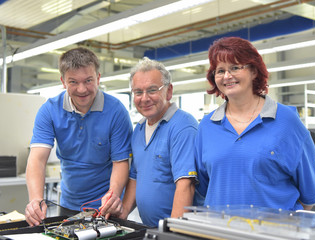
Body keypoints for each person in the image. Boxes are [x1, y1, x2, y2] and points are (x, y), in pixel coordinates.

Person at [195, 37, 315, 211]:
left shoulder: (287, 121)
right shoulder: (207, 126)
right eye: (220, 71)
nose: (227, 76)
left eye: (235, 67)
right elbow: (203, 187)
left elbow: (310, 197)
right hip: (219, 234)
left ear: (254, 72)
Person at [25, 47, 133, 226]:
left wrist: (112, 197)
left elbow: (120, 162)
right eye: (73, 82)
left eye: (88, 80)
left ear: (98, 78)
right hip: (68, 203)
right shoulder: (49, 110)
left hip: (106, 207)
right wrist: (36, 200)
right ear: (63, 81)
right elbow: (37, 159)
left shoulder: (116, 111)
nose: (82, 89)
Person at [118, 57, 198, 227]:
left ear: (168, 91)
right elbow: (135, 177)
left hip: (177, 231)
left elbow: (186, 185)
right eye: (138, 92)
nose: (144, 98)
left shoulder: (182, 126)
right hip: (150, 229)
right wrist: (122, 214)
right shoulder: (138, 130)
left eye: (152, 90)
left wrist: (173, 233)